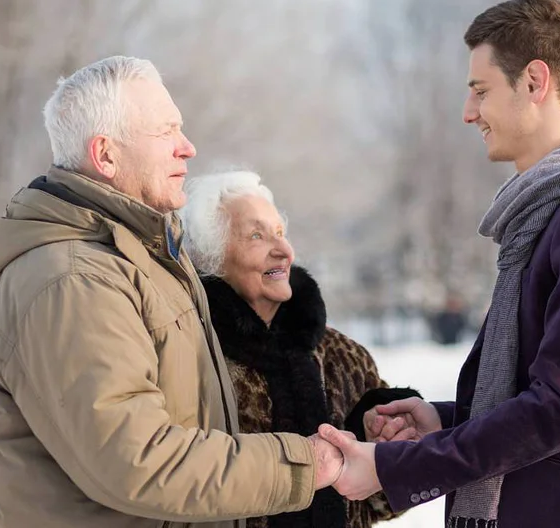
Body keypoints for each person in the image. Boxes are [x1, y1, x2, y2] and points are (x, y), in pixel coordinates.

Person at [318, 0, 560, 528]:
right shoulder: (557, 211)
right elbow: (546, 396)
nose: (469, 113)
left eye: (481, 91)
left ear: (535, 82)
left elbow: (559, 410)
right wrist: (444, 423)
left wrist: (391, 467)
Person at [0, 55, 345, 528]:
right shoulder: (75, 281)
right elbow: (138, 461)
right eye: (166, 132)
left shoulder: (142, 257)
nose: (188, 147)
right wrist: (303, 462)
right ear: (106, 155)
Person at [178, 170, 422, 528]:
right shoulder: (191, 354)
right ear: (210, 258)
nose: (284, 250)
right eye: (257, 236)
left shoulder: (343, 355)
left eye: (280, 232)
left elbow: (384, 503)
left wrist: (378, 443)